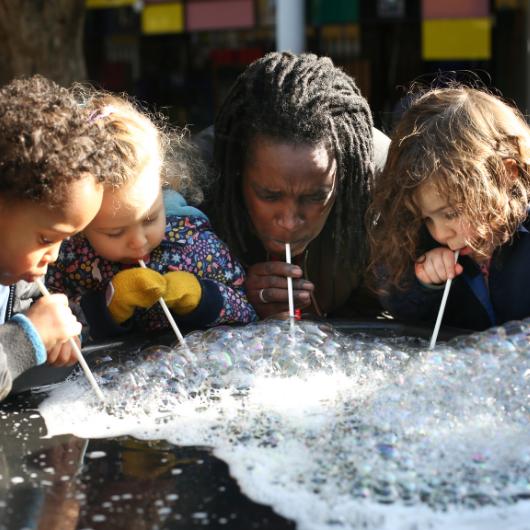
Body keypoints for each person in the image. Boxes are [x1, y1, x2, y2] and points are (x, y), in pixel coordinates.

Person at [46, 93, 256, 340]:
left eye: (149, 219)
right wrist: (107, 307)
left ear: (164, 182)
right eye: (115, 232)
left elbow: (248, 312)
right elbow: (53, 333)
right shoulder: (67, 256)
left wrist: (201, 296)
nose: (138, 241)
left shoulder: (193, 242)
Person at [198, 51, 390, 319]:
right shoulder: (196, 182)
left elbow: (392, 315)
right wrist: (235, 297)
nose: (290, 221)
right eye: (269, 195)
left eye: (315, 197)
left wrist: (318, 318)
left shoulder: (385, 181)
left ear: (346, 175)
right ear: (237, 172)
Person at [368, 86, 530, 331]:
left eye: (451, 213)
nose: (441, 233)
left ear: (506, 174)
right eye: (427, 219)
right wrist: (424, 283)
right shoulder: (425, 243)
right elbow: (402, 311)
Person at [0, 75, 119, 401]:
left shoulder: (14, 274)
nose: (53, 255)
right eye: (46, 238)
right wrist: (29, 337)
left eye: (64, 241)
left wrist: (60, 329)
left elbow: (24, 309)